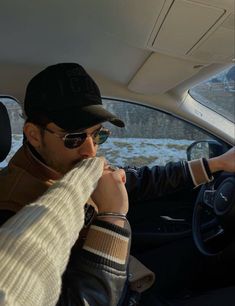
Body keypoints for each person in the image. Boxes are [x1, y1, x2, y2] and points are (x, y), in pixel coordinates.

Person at [0, 63, 234, 306]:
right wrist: (113, 218)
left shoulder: (68, 167)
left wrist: (216, 165)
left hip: (126, 278)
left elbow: (139, 181)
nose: (90, 150)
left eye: (98, 135)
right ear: (34, 135)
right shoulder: (12, 211)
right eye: (74, 138)